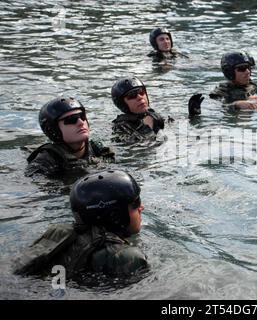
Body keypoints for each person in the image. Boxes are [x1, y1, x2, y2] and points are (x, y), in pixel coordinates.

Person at [13, 170, 148, 280]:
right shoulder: (125, 257)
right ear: (115, 215)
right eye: (135, 203)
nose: (142, 207)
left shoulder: (63, 234)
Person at [25, 97, 115, 177]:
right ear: (53, 130)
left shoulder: (98, 149)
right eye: (71, 119)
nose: (80, 122)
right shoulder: (45, 161)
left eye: (82, 116)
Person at [111, 77, 167, 143]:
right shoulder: (121, 127)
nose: (140, 97)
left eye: (141, 92)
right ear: (122, 104)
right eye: (131, 95)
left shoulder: (155, 116)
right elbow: (142, 149)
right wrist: (147, 127)